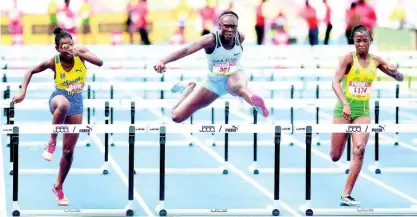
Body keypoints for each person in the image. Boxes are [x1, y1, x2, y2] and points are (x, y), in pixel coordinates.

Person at [12, 26, 103, 206]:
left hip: (77, 104)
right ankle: (52, 142)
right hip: (58, 99)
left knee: (69, 152)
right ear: (57, 48)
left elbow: (99, 62)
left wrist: (79, 53)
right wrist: (22, 93)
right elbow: (30, 70)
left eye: (70, 45)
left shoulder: (81, 52)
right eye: (63, 46)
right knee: (63, 104)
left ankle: (58, 186)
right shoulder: (53, 61)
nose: (67, 48)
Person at [331, 24, 404, 206]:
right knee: (335, 155)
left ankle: (346, 195)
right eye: (358, 41)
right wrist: (346, 104)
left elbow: (400, 78)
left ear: (370, 41)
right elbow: (335, 82)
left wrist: (395, 72)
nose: (361, 44)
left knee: (360, 150)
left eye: (365, 40)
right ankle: (345, 137)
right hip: (343, 109)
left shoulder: (376, 61)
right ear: (353, 42)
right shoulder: (348, 58)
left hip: (363, 110)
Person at [154, 11, 269, 123]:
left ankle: (256, 100)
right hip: (214, 81)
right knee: (176, 117)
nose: (230, 30)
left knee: (238, 87)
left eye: (233, 27)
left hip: (234, 73)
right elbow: (186, 50)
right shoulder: (210, 40)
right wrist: (163, 60)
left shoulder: (240, 37)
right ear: (219, 26)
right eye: (226, 26)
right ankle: (189, 87)